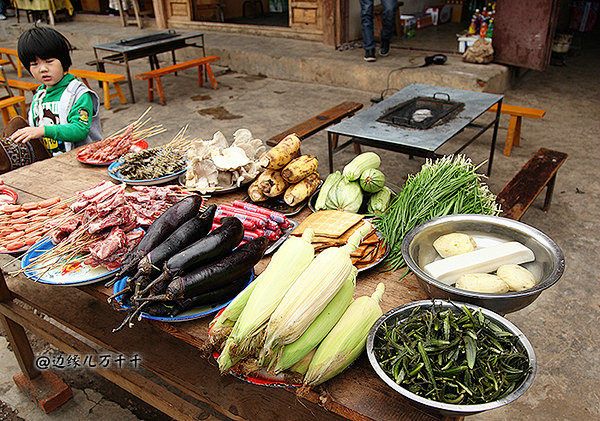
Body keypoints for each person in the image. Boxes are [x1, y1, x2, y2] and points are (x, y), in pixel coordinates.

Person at [10, 26, 103, 156]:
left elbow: (80, 129)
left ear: (63, 61)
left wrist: (43, 131)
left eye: (49, 61)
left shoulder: (78, 94)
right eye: (34, 64)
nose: (42, 69)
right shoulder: (39, 96)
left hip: (83, 161)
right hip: (53, 165)